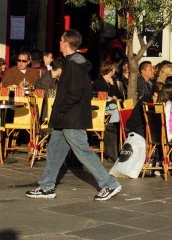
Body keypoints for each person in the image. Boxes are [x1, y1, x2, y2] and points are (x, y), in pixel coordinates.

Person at [26, 29, 122, 201]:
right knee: (54, 152)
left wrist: (62, 108)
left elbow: (75, 92)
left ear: (66, 43)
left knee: (83, 152)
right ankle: (47, 186)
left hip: (71, 118)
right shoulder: (72, 63)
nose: (59, 43)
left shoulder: (73, 65)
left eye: (61, 40)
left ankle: (109, 184)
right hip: (65, 118)